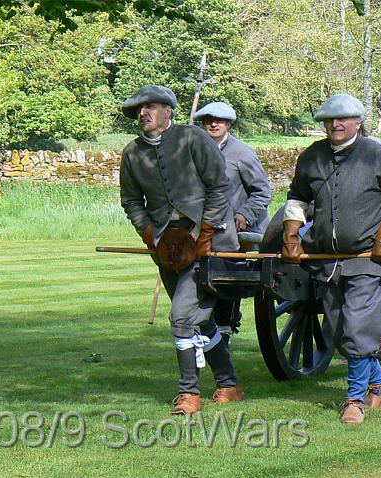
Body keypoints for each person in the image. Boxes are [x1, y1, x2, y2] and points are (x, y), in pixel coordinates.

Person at [282, 93, 381, 424]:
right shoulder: (311, 158)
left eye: (343, 119)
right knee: (342, 331)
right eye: (330, 120)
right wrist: (291, 233)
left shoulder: (379, 156)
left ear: (358, 122)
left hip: (369, 261)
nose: (335, 124)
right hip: (327, 262)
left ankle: (354, 400)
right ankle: (380, 384)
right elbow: (298, 198)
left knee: (357, 327)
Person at [119, 85, 244, 414]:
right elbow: (131, 201)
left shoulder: (193, 138)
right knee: (200, 321)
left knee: (181, 317)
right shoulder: (132, 153)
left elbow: (220, 185)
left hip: (211, 245)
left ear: (168, 112)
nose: (143, 114)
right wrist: (149, 234)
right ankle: (229, 386)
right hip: (167, 249)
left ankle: (189, 393)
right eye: (138, 110)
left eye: (150, 107)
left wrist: (206, 233)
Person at [194, 101, 272, 346]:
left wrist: (245, 215)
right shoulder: (193, 152)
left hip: (236, 233)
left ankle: (224, 328)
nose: (213, 124)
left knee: (223, 278)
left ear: (228, 124)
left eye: (218, 120)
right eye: (208, 120)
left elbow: (262, 192)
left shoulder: (242, 153)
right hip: (202, 229)